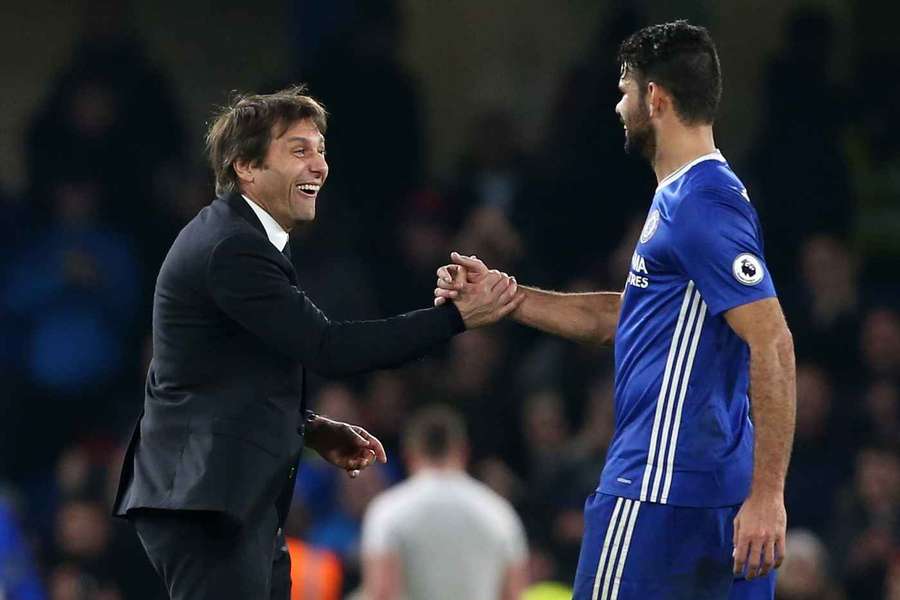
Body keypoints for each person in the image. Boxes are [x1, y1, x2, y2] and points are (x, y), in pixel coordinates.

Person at [112, 85, 522, 600]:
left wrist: (305, 427)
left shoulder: (241, 239)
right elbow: (330, 348)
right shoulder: (233, 247)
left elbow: (220, 373)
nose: (319, 166)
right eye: (299, 150)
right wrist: (457, 318)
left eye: (321, 150)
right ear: (246, 166)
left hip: (228, 500)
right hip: (206, 502)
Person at [436, 21, 796, 600]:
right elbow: (629, 318)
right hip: (711, 490)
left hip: (658, 490)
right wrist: (511, 297)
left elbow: (773, 342)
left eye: (625, 89)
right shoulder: (693, 196)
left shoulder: (698, 204)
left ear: (655, 98)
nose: (618, 104)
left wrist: (769, 495)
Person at [360, 405, 528, 600]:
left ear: (409, 453)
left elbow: (381, 594)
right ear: (464, 451)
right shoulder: (499, 513)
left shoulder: (389, 512)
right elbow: (513, 595)